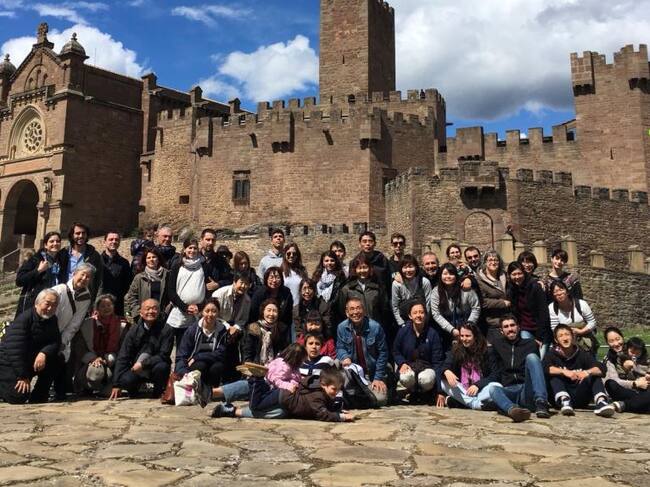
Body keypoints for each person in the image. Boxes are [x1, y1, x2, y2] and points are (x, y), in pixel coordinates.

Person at [210, 366, 353, 422]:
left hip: (284, 398)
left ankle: (230, 409)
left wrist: (337, 410)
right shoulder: (318, 395)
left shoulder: (319, 390)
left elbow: (325, 406)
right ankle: (256, 379)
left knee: (269, 408)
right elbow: (321, 413)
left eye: (338, 389)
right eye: (334, 389)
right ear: (323, 385)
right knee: (256, 405)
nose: (336, 392)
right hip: (282, 398)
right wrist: (340, 417)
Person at [0, 289, 60, 404]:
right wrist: (22, 376)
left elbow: (56, 342)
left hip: (31, 360)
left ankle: (40, 395)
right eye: (47, 304)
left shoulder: (52, 319)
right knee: (18, 397)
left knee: (57, 359)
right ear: (37, 303)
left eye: (54, 305)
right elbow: (14, 351)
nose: (50, 308)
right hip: (9, 364)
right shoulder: (24, 319)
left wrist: (44, 353)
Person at [488, 315, 550, 421]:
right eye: (506, 326)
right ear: (501, 331)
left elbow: (536, 370)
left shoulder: (531, 344)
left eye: (512, 325)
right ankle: (513, 410)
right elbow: (495, 371)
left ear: (518, 327)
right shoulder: (497, 345)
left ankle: (541, 402)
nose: (510, 329)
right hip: (509, 390)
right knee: (493, 389)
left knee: (532, 357)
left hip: (526, 389)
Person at [543, 324, 615, 417]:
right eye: (561, 336)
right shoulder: (551, 354)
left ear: (572, 337)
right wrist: (564, 372)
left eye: (567, 334)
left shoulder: (581, 353)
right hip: (558, 397)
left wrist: (586, 372)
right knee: (555, 376)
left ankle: (601, 402)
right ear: (556, 340)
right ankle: (565, 401)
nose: (565, 338)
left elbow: (601, 368)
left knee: (594, 375)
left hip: (580, 395)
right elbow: (545, 368)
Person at [109, 299, 173, 399]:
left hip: (154, 366)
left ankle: (158, 391)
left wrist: (143, 364)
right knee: (125, 380)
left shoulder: (166, 329)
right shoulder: (134, 330)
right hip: (136, 368)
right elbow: (123, 356)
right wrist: (116, 384)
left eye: (154, 308)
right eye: (147, 309)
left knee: (162, 367)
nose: (151, 311)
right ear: (141, 313)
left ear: (159, 311)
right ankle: (134, 390)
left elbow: (164, 355)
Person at [336, 297, 390, 407]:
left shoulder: (375, 327)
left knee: (380, 400)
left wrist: (378, 378)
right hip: (353, 373)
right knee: (336, 363)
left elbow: (383, 353)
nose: (355, 312)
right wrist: (345, 356)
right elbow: (340, 347)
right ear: (347, 312)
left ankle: (363, 394)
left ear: (364, 310)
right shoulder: (341, 327)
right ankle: (360, 394)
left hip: (371, 373)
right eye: (352, 309)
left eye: (358, 308)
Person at [437, 323, 501, 410]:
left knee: (497, 386)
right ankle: (477, 405)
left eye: (468, 336)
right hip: (463, 390)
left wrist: (478, 385)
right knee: (443, 382)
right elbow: (444, 365)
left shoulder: (487, 351)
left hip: (480, 390)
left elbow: (495, 375)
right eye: (462, 336)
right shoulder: (456, 350)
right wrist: (446, 371)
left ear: (475, 337)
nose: (464, 339)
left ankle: (463, 403)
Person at [70, 294, 122, 396]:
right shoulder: (86, 324)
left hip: (112, 362)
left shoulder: (122, 325)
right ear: (97, 309)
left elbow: (123, 348)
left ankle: (105, 386)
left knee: (108, 379)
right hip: (90, 362)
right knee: (96, 372)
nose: (106, 308)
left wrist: (109, 359)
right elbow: (79, 347)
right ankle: (85, 386)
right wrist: (93, 358)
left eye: (109, 305)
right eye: (102, 306)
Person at [393, 301, 444, 401]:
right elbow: (396, 351)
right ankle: (411, 391)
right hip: (409, 366)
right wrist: (402, 363)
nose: (418, 315)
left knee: (426, 379)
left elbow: (437, 362)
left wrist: (440, 391)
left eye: (421, 312)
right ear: (410, 316)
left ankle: (425, 392)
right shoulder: (403, 331)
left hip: (427, 368)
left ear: (425, 315)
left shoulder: (433, 334)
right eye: (415, 313)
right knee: (406, 378)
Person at [175, 298, 230, 390]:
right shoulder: (193, 330)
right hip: (196, 365)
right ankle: (198, 390)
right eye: (207, 311)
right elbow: (182, 354)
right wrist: (183, 373)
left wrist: (198, 357)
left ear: (218, 313)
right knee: (201, 365)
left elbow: (221, 353)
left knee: (218, 367)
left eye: (214, 311)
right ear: (202, 312)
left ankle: (212, 392)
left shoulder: (222, 330)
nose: (210, 314)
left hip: (212, 361)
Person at [166, 238, 207, 347]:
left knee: (192, 346)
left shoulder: (203, 266)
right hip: (180, 311)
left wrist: (200, 306)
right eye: (190, 248)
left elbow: (207, 289)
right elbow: (171, 290)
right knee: (178, 345)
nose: (192, 251)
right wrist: (184, 307)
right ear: (184, 249)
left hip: (197, 312)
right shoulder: (177, 266)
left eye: (195, 248)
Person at [15, 231, 65, 318]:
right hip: (33, 303)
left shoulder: (61, 260)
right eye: (51, 241)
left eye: (58, 241)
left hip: (51, 304)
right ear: (45, 245)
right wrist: (38, 270)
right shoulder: (35, 259)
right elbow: (19, 280)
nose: (55, 243)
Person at [337, 253, 387, 337]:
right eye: (359, 268)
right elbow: (342, 310)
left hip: (374, 328)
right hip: (354, 330)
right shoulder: (347, 289)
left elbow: (384, 309)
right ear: (355, 270)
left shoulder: (378, 288)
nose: (363, 271)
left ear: (370, 269)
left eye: (365, 267)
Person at [507, 262, 551, 357]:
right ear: (509, 276)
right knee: (530, 357)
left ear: (524, 273)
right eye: (514, 274)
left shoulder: (535, 287)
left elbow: (543, 313)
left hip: (541, 330)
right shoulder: (511, 291)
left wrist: (539, 337)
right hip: (525, 330)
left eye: (519, 273)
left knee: (541, 359)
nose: (517, 277)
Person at [430, 262, 481, 345]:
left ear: (456, 275)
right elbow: (436, 314)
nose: (448, 276)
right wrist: (451, 329)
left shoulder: (465, 288)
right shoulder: (436, 292)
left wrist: (468, 326)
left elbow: (476, 308)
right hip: (446, 327)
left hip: (467, 325)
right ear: (440, 276)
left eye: (451, 274)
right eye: (445, 274)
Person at [602, 327, 650, 414]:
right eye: (611, 341)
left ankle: (624, 405)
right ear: (607, 343)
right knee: (610, 384)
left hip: (643, 391)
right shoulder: (609, 359)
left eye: (618, 339)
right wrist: (635, 384)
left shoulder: (634, 348)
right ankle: (640, 403)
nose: (616, 343)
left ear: (622, 338)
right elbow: (615, 381)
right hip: (626, 391)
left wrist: (645, 377)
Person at [548, 281, 598, 355]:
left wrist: (581, 331)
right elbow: (554, 328)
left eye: (561, 290)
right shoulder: (552, 308)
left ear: (567, 291)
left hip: (584, 342)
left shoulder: (581, 304)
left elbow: (592, 322)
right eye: (555, 292)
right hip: (565, 343)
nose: (559, 293)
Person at [59, 222, 103, 301]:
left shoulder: (94, 255)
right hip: (65, 294)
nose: (81, 236)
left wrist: (96, 300)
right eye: (77, 233)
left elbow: (99, 279)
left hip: (85, 297)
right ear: (72, 235)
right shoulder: (63, 254)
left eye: (83, 233)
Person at [249, 267, 294, 340]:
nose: (274, 280)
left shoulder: (286, 293)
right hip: (260, 326)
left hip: (279, 327)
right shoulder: (259, 293)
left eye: (277, 277)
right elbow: (253, 313)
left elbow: (288, 314)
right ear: (266, 279)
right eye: (271, 277)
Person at [476, 250, 511, 343]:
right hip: (492, 323)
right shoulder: (479, 280)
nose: (493, 262)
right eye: (490, 260)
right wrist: (502, 303)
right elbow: (482, 301)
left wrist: (537, 280)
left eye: (496, 260)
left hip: (508, 321)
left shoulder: (505, 276)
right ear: (485, 262)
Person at [124, 247, 169, 320]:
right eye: (148, 258)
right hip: (144, 317)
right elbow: (131, 297)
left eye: (154, 257)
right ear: (145, 260)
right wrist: (138, 313)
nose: (151, 259)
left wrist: (167, 312)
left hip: (163, 317)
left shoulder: (168, 275)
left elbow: (172, 296)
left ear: (158, 259)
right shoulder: (139, 277)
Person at [391, 255, 433, 329]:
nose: (408, 270)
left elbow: (428, 304)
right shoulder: (396, 284)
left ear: (416, 267)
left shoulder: (424, 282)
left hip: (422, 320)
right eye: (405, 267)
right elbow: (395, 307)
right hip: (405, 321)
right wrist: (402, 324)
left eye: (411, 267)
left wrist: (424, 321)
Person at [99, 232, 132, 316]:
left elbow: (127, 284)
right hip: (99, 304)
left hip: (117, 305)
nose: (114, 242)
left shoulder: (124, 263)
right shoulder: (97, 261)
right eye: (111, 239)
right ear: (104, 242)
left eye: (116, 240)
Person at [312, 250, 346, 327]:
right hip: (319, 313)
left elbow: (340, 297)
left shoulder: (341, 277)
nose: (329, 263)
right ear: (322, 263)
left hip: (335, 315)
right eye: (326, 261)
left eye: (332, 260)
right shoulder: (317, 276)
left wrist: (329, 307)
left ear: (336, 262)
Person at [357, 231, 391, 296]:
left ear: (375, 243)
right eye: (364, 241)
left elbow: (388, 280)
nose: (367, 244)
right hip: (362, 297)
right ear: (360, 244)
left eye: (370, 241)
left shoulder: (382, 260)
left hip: (381, 297)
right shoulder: (355, 262)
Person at [199, 228, 232, 294]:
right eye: (208, 240)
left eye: (213, 240)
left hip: (214, 296)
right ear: (201, 240)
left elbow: (230, 279)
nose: (211, 243)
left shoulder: (220, 260)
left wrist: (218, 284)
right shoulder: (194, 259)